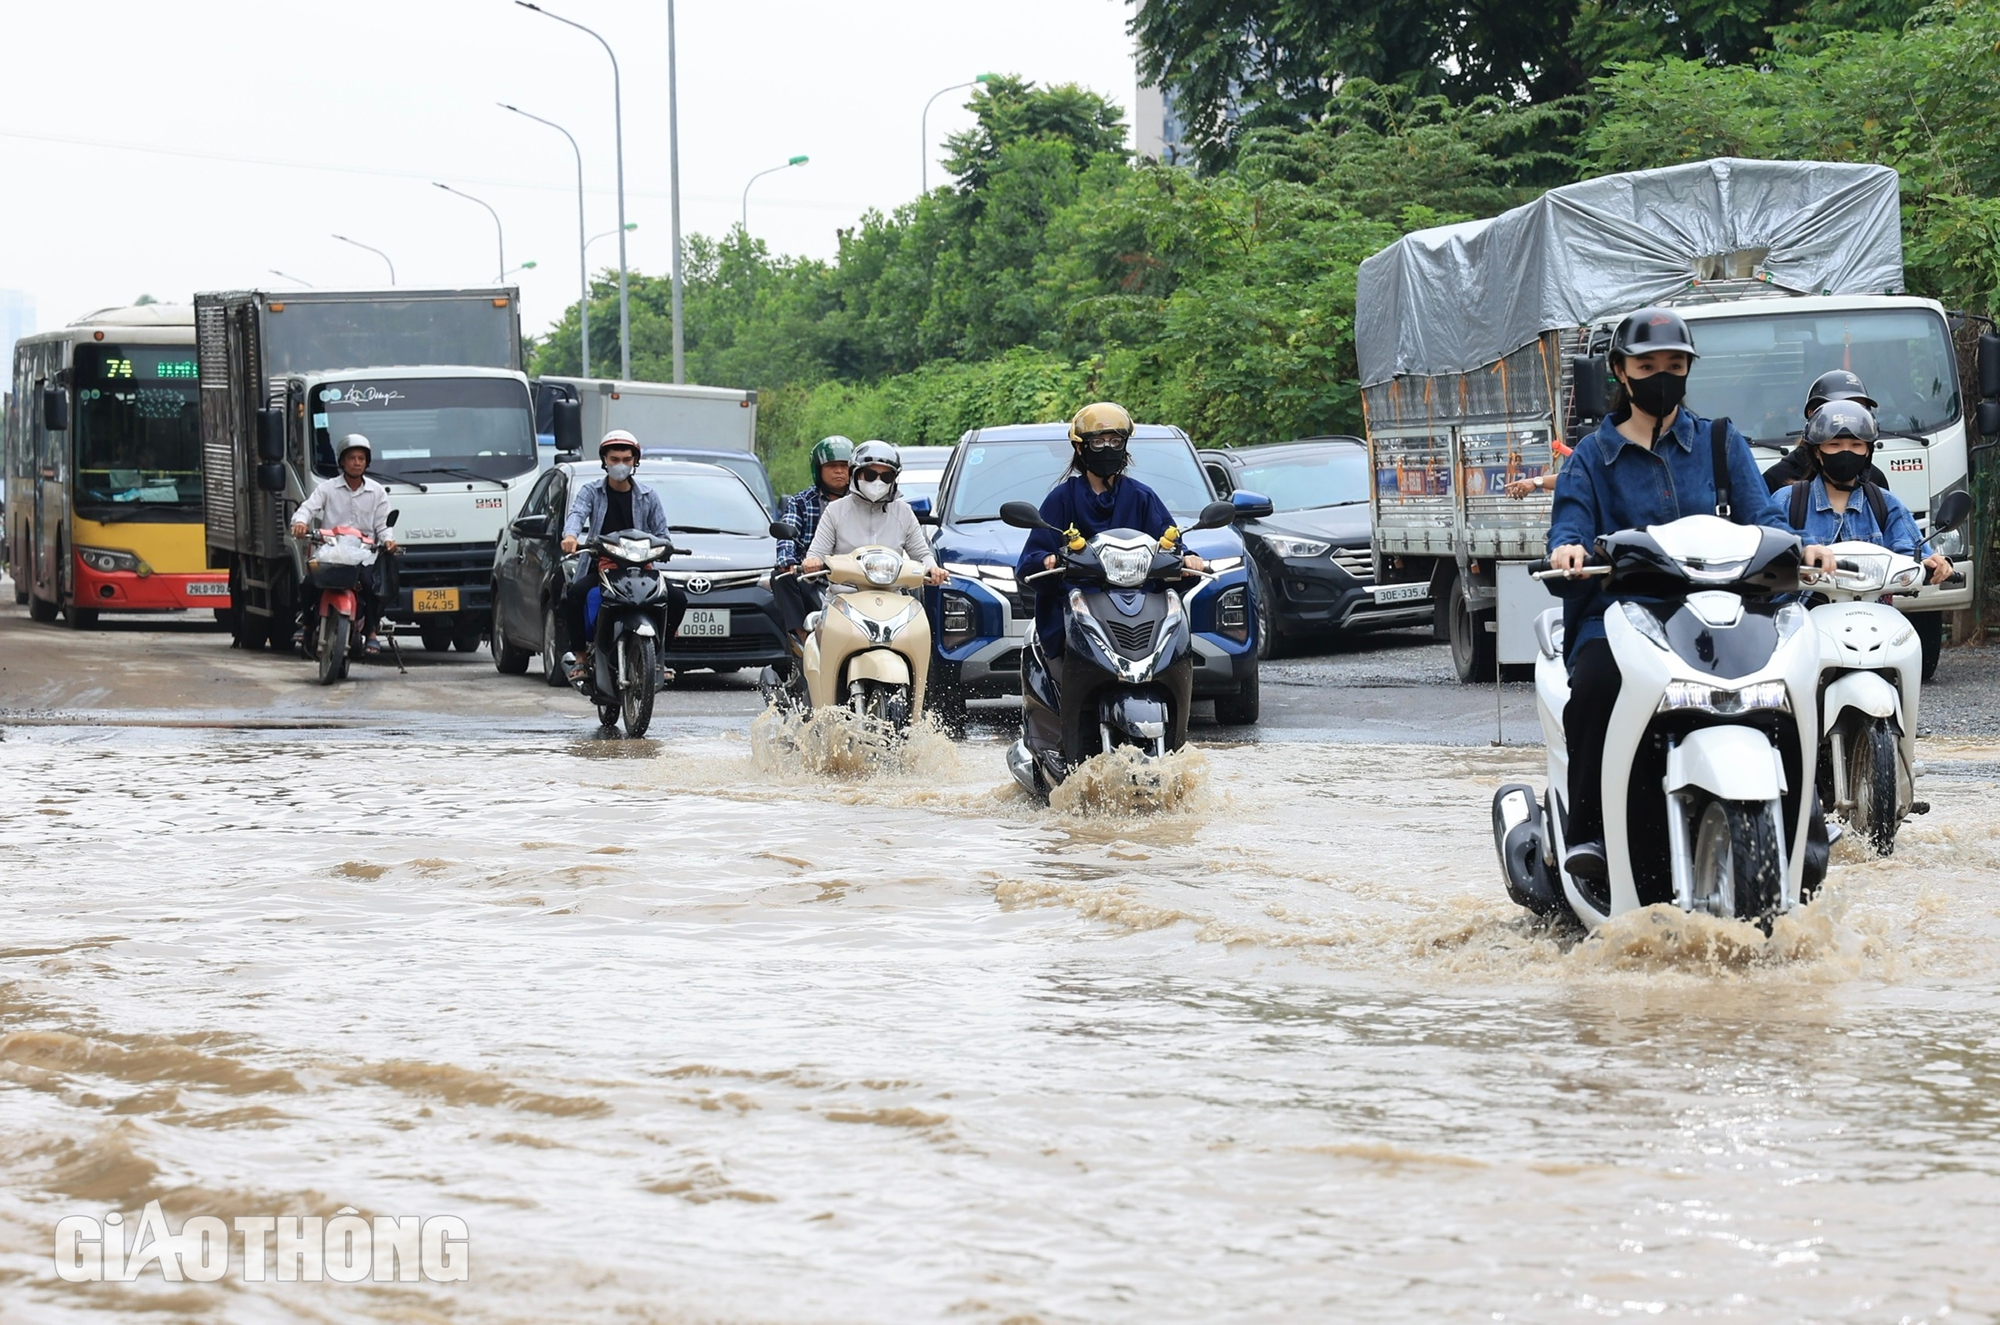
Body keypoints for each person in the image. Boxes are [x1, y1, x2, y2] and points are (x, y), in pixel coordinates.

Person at [1546, 307, 1836, 883]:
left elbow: (1764, 518)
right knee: (1597, 686)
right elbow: (1570, 527)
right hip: (1623, 618)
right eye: (1647, 364)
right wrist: (1569, 551)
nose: (1662, 375)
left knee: (1794, 683)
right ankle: (1591, 836)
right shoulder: (1590, 460)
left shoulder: (1721, 442)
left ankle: (1806, 820)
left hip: (1727, 615)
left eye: (1674, 364)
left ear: (1688, 370)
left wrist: (1803, 548)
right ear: (1620, 373)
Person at [1013, 402, 1207, 762]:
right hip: (1080, 611)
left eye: (1115, 440)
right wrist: (1049, 559)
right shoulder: (1063, 498)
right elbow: (1029, 561)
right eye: (1098, 441)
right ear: (1079, 448)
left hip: (1138, 609)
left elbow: (1172, 542)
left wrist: (1188, 559)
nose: (1107, 448)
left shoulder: (1142, 497)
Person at [1781, 399, 1953, 583]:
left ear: (1867, 452)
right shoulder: (1788, 502)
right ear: (1817, 452)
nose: (1845, 452)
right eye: (1834, 445)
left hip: (1872, 608)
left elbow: (1912, 554)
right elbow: (1763, 556)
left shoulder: (1886, 504)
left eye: (1856, 445)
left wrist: (1932, 564)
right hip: (1805, 609)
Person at [559, 429, 677, 682]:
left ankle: (659, 658)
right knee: (575, 595)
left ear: (635, 461)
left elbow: (662, 533)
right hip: (602, 566)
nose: (620, 465)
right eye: (614, 459)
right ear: (604, 461)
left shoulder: (648, 496)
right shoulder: (591, 492)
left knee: (677, 599)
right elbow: (577, 515)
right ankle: (580, 657)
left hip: (640, 569)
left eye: (626, 459)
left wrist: (666, 547)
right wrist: (570, 536)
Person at [290, 434, 397, 654]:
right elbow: (308, 508)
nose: (357, 462)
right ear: (342, 462)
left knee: (370, 585)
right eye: (352, 458)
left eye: (361, 458)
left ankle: (371, 632)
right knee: (309, 582)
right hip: (331, 552)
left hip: (363, 555)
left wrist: (388, 540)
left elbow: (383, 525)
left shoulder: (377, 492)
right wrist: (300, 522)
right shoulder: (327, 488)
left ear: (367, 462)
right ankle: (307, 623)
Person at [800, 440, 948, 585]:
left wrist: (933, 569)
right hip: (843, 597)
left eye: (886, 477)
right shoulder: (835, 510)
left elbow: (922, 554)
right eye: (870, 475)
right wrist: (812, 563)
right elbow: (816, 554)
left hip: (894, 598)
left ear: (894, 480)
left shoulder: (903, 512)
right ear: (855, 475)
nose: (878, 482)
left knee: (918, 610)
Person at [772, 436, 854, 645]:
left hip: (858, 576)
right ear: (818, 469)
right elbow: (787, 531)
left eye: (844, 466)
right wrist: (788, 560)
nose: (839, 471)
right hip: (814, 576)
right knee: (779, 577)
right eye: (832, 466)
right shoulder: (801, 502)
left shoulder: (865, 501)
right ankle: (804, 637)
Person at [1762, 369, 1890, 493]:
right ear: (1812, 415)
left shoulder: (1874, 479)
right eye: (1838, 408)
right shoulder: (1777, 480)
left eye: (1859, 410)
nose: (1850, 417)